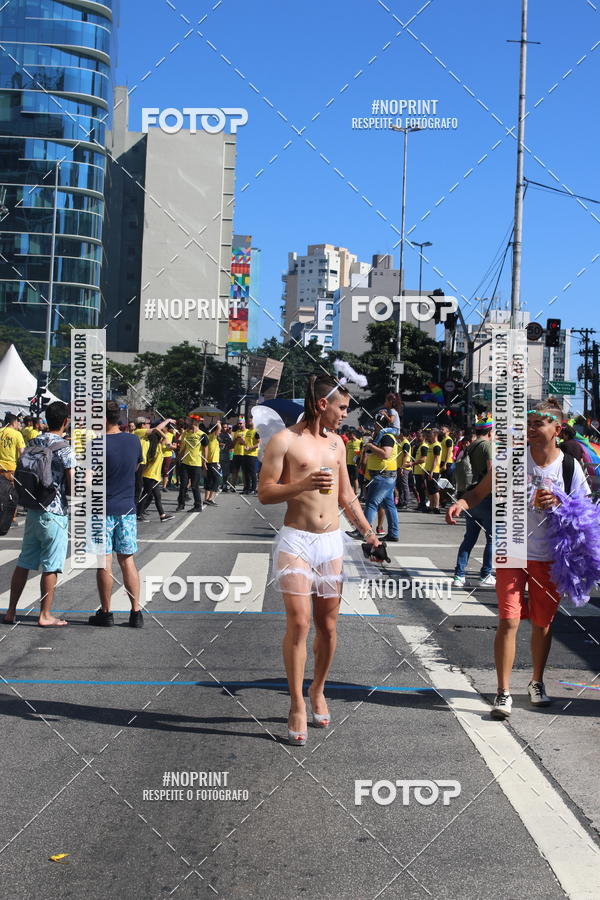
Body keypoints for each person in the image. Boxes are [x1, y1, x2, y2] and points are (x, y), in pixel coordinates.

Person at [447, 399, 590, 718]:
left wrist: (560, 502)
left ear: (558, 428)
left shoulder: (568, 467)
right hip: (511, 552)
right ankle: (503, 691)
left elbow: (584, 518)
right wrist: (461, 503)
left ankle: (536, 682)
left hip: (550, 557)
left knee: (542, 623)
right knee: (509, 620)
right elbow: (478, 492)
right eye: (528, 424)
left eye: (538, 424)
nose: (531, 429)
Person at [258, 374, 381, 746]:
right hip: (295, 540)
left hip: (330, 543)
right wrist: (303, 485)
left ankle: (318, 689)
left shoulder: (338, 444)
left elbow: (347, 494)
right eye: (342, 407)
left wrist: (368, 532)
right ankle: (296, 702)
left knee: (328, 627)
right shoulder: (285, 441)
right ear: (323, 404)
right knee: (299, 623)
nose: (346, 414)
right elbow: (265, 493)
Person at [4, 402, 73, 626]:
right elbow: (72, 486)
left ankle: (11, 611)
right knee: (51, 565)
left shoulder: (34, 441)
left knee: (24, 562)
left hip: (33, 510)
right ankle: (45, 614)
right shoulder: (64, 447)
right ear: (65, 422)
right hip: (54, 512)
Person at [89, 400, 144, 627]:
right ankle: (135, 612)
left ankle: (106, 612)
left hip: (102, 509)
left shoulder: (96, 445)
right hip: (127, 508)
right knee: (127, 560)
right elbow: (135, 468)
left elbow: (89, 480)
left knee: (104, 561)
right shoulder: (134, 441)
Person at [451, 417, 495, 588]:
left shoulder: (469, 446)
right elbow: (492, 472)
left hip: (470, 496)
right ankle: (485, 574)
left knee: (469, 538)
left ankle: (459, 575)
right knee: (492, 538)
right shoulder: (487, 446)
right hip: (487, 496)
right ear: (490, 431)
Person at [140, 420, 175, 521]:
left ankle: (162, 515)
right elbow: (164, 443)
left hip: (153, 476)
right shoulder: (155, 449)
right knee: (146, 495)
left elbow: (166, 447)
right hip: (150, 476)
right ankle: (138, 513)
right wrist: (166, 438)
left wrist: (171, 447)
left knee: (155, 496)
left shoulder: (157, 447)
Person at [0, 413, 26, 527]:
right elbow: (22, 453)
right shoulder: (17, 434)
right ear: (14, 422)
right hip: (11, 469)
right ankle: (11, 518)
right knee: (11, 495)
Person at [177, 417, 207, 512]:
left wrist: (204, 461)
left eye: (191, 421)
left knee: (194, 486)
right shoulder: (186, 433)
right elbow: (183, 447)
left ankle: (198, 506)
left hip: (196, 464)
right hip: (185, 463)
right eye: (189, 421)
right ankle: (181, 504)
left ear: (196, 422)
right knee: (183, 485)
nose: (189, 422)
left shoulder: (202, 435)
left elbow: (205, 448)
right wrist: (178, 458)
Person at [204, 421, 222, 505]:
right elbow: (219, 428)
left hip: (210, 462)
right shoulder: (212, 437)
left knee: (209, 480)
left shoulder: (209, 437)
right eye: (218, 431)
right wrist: (218, 423)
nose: (220, 432)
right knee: (217, 480)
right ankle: (210, 499)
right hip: (213, 462)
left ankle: (206, 498)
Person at [395, 428, 413, 509]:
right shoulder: (401, 443)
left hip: (404, 468)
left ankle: (406, 501)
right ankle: (401, 501)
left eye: (399, 433)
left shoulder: (406, 443)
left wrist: (402, 467)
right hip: (399, 467)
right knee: (399, 485)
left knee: (404, 485)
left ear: (402, 434)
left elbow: (405, 456)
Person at [412, 430, 429, 511]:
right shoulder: (419, 446)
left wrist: (412, 463)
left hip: (421, 471)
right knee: (419, 488)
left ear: (424, 437)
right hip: (417, 471)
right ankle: (421, 504)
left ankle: (423, 505)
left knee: (422, 489)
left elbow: (423, 459)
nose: (417, 438)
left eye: (419, 436)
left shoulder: (424, 446)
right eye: (417, 436)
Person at [242, 415, 260, 494]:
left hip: (252, 455)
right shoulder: (248, 431)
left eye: (250, 420)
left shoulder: (256, 431)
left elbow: (259, 443)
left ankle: (253, 489)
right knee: (246, 472)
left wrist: (250, 448)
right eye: (248, 420)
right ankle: (247, 488)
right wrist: (242, 442)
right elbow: (246, 443)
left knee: (252, 473)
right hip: (245, 454)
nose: (249, 422)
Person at [230, 419, 246, 491]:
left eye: (240, 423)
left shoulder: (247, 432)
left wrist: (243, 440)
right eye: (238, 424)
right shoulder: (236, 432)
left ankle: (245, 487)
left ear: (244, 423)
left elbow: (249, 444)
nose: (239, 425)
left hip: (244, 454)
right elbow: (232, 445)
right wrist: (236, 440)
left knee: (244, 471)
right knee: (235, 471)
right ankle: (232, 486)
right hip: (236, 454)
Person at [218, 423, 233, 492]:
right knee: (218, 471)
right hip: (219, 455)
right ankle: (216, 485)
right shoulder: (218, 434)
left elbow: (231, 445)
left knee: (226, 472)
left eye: (226, 427)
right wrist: (220, 444)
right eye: (223, 427)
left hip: (226, 455)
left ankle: (224, 485)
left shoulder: (228, 435)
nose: (225, 429)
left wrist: (231, 455)